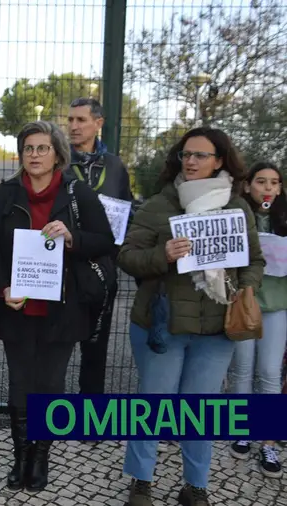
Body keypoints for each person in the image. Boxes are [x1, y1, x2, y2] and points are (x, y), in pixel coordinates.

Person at [118, 127, 264, 506]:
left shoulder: (236, 207)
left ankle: (195, 486)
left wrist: (245, 288)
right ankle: (141, 483)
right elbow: (128, 256)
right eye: (186, 154)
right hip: (162, 326)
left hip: (216, 327)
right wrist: (161, 255)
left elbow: (254, 259)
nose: (192, 161)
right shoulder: (160, 204)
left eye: (201, 155)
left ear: (219, 161)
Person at [0, 121, 115, 493]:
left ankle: (41, 458)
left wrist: (73, 237)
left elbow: (104, 241)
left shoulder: (77, 193)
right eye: (28, 149)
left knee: (51, 386)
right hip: (17, 306)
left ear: (57, 154)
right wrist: (1, 286)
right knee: (21, 384)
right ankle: (21, 455)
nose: (35, 155)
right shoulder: (6, 195)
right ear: (21, 154)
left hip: (63, 308)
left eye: (42, 148)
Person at [65, 97, 132, 397]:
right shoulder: (60, 162)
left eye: (81, 120)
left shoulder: (115, 166)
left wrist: (113, 256)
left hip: (101, 270)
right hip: (63, 267)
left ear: (98, 124)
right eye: (71, 120)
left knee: (96, 348)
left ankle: (91, 417)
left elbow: (126, 211)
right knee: (57, 345)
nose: (74, 126)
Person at [228, 160, 285, 478]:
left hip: (277, 305)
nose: (268, 188)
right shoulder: (237, 216)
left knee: (269, 372)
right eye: (261, 181)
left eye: (274, 182)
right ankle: (243, 430)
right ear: (248, 185)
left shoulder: (284, 219)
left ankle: (269, 442)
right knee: (242, 370)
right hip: (243, 303)